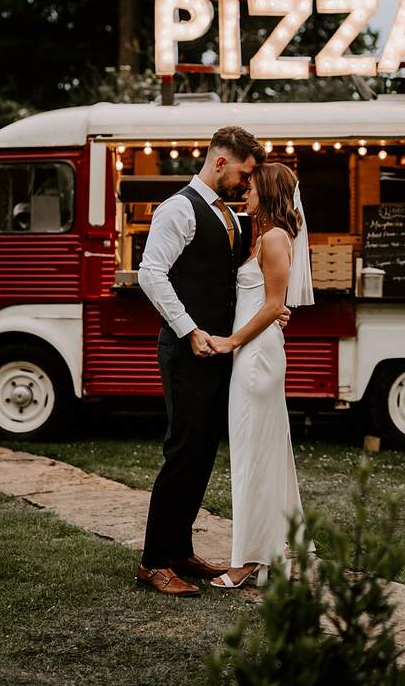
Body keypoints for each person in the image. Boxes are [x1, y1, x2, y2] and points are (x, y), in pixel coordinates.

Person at [136, 126, 281, 597]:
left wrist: (273, 311)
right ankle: (154, 561)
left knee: (201, 456)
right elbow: (151, 274)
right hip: (186, 351)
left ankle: (180, 550)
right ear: (220, 162)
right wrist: (189, 329)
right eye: (243, 172)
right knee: (182, 453)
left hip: (221, 352)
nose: (245, 183)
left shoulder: (234, 219)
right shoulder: (178, 209)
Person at [207, 161, 315, 589]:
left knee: (253, 456)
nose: (244, 194)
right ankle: (274, 547)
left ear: (267, 194)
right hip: (255, 352)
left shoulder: (272, 239)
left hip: (256, 357)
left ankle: (247, 559)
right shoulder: (263, 236)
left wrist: (232, 341)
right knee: (263, 454)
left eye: (251, 190)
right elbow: (269, 304)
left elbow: (273, 305)